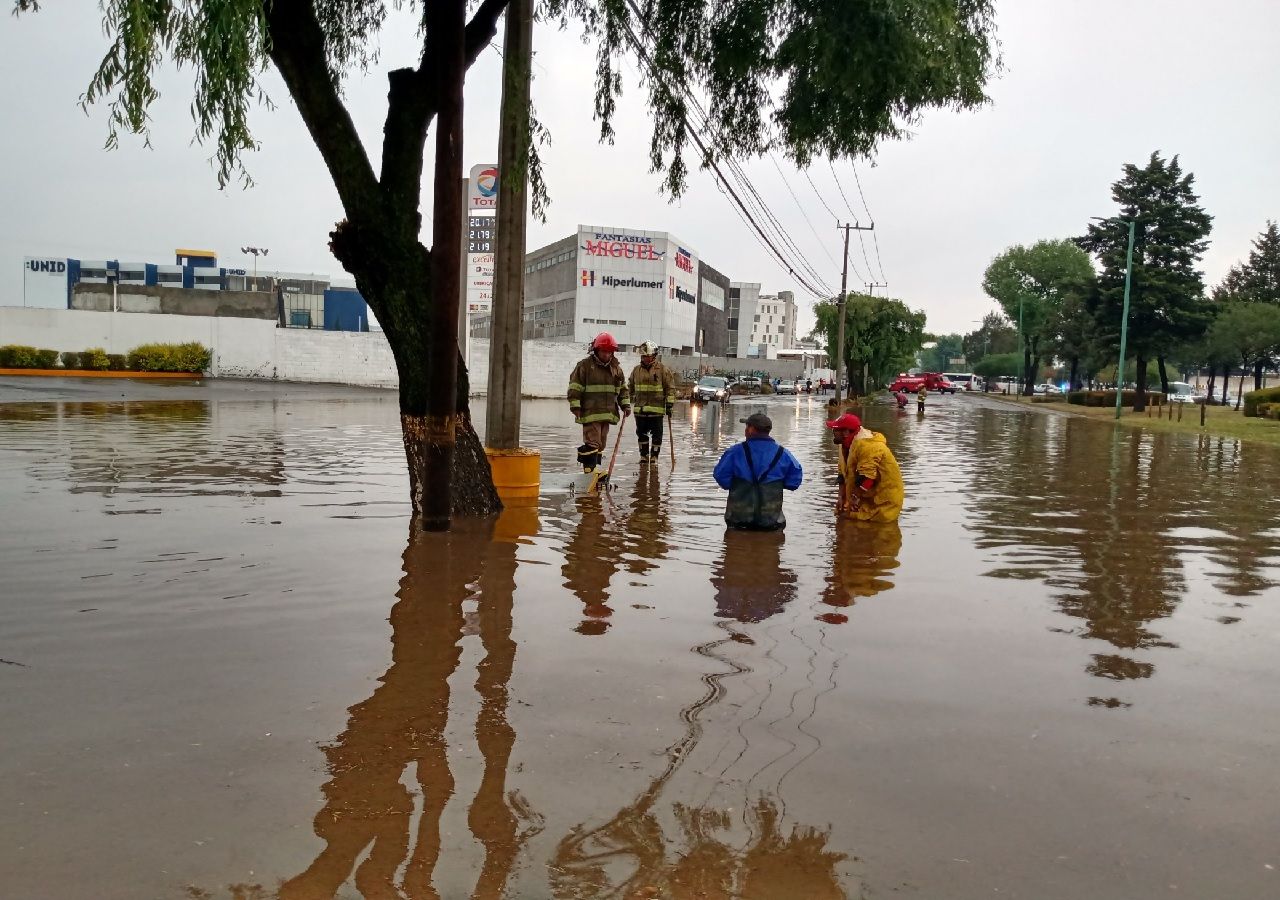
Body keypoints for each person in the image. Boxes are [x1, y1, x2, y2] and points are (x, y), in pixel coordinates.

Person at [713, 412, 803, 530]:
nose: (745, 430)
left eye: (747, 426)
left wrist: (741, 484)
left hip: (738, 524)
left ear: (751, 429)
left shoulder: (734, 452)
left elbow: (721, 478)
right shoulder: (784, 454)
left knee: (735, 547)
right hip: (772, 524)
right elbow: (793, 483)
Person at [567, 333, 630, 472]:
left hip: (607, 412)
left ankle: (594, 470)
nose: (606, 355)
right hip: (590, 411)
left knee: (601, 444)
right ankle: (589, 470)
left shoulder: (616, 369)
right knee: (593, 442)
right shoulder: (585, 366)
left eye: (609, 352)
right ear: (596, 350)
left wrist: (625, 405)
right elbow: (575, 387)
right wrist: (575, 406)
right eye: (604, 351)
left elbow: (623, 389)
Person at [826, 412, 904, 523]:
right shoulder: (843, 444)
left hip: (883, 501)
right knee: (845, 525)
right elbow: (842, 473)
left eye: (835, 430)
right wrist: (840, 497)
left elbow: (867, 479)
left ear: (846, 432)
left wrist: (854, 499)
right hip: (863, 497)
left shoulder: (869, 446)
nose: (833, 432)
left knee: (879, 532)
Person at [627, 340, 676, 464]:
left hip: (656, 410)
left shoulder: (663, 370)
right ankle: (644, 456)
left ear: (653, 356)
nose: (645, 359)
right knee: (641, 434)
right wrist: (625, 402)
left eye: (647, 356)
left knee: (657, 435)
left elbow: (670, 388)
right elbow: (630, 387)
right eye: (643, 356)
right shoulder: (636, 370)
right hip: (640, 410)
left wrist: (669, 405)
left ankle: (654, 457)